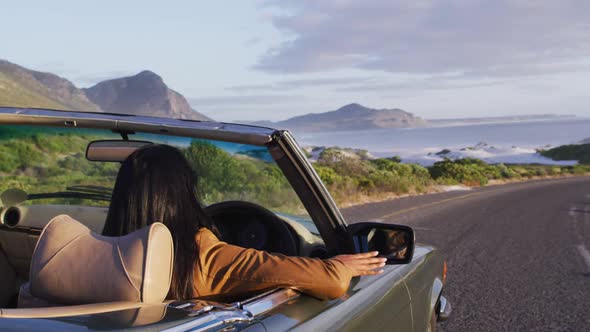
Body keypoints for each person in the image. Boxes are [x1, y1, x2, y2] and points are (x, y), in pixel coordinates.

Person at [102, 144, 385, 301]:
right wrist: (341, 265)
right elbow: (330, 281)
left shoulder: (96, 254)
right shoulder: (202, 257)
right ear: (183, 196)